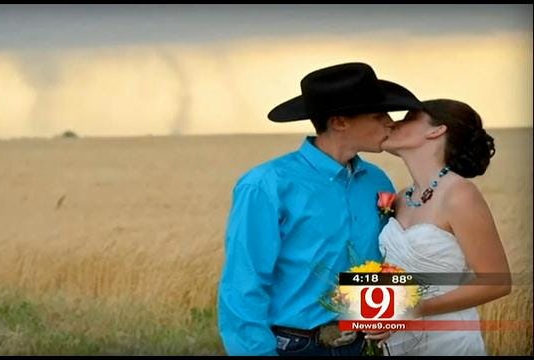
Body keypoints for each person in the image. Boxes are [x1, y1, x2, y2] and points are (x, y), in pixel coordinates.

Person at [217, 62, 426, 356]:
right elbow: (244, 282)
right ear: (340, 122)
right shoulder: (267, 185)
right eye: (379, 115)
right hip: (292, 347)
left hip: (360, 346)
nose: (390, 122)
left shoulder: (377, 180)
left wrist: (384, 309)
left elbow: (377, 256)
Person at [378, 99, 512, 355]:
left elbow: (498, 282)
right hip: (395, 342)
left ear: (436, 130)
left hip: (448, 341)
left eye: (408, 118)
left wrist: (412, 310)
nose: (392, 124)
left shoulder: (460, 194)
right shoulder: (401, 197)